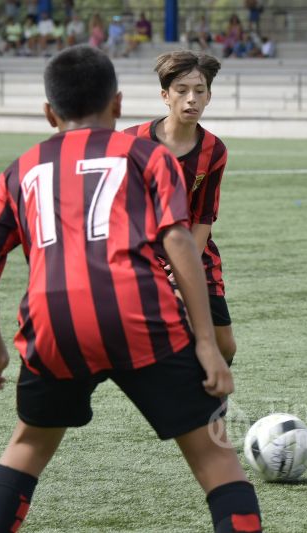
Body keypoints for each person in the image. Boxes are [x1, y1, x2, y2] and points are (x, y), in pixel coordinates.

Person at [0, 45, 261, 532]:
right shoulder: (145, 154)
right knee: (214, 457)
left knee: (28, 446)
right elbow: (179, 241)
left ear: (49, 113)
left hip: (53, 325)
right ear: (118, 104)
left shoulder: (20, 169)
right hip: (140, 316)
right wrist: (207, 344)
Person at [123, 51, 237, 365]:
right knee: (179, 331)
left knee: (225, 347)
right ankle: (184, 395)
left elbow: (203, 216)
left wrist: (183, 263)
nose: (191, 99)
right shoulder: (130, 142)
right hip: (141, 254)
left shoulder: (214, 150)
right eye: (182, 90)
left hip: (194, 251)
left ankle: (205, 391)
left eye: (199, 91)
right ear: (165, 95)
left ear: (209, 96)